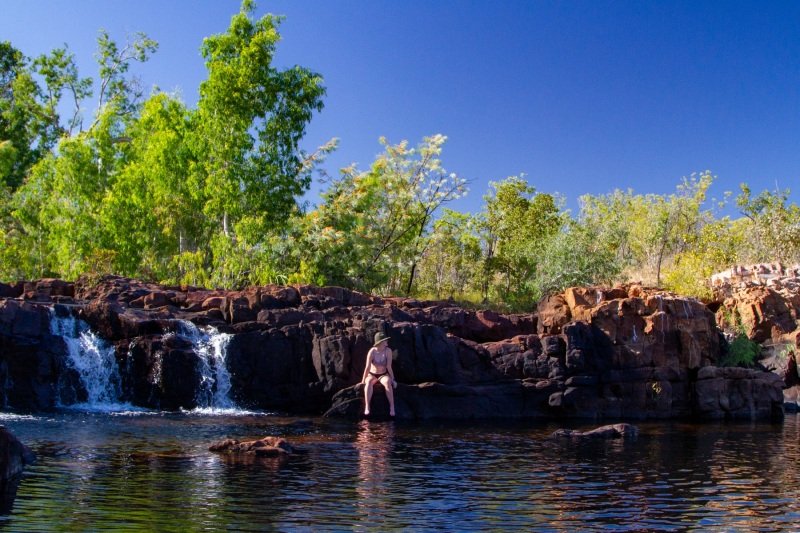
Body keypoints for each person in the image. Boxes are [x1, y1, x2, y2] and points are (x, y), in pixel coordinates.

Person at [361, 332, 397, 416]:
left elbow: (389, 367)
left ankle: (392, 407)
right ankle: (367, 406)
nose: (387, 341)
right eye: (385, 340)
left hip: (383, 374)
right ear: (380, 342)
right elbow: (367, 367)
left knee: (388, 383)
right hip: (372, 374)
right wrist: (363, 381)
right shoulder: (372, 351)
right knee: (368, 382)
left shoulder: (388, 351)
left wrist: (393, 379)